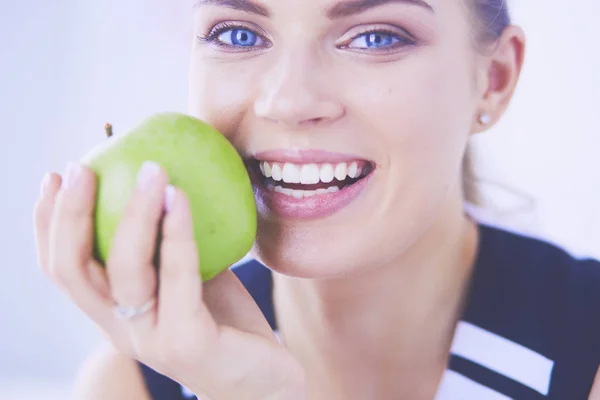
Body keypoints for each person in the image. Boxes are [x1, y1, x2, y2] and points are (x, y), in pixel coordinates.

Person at [32, 0, 600, 398]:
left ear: (494, 79)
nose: (288, 99)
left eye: (376, 36)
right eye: (238, 33)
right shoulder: (129, 387)